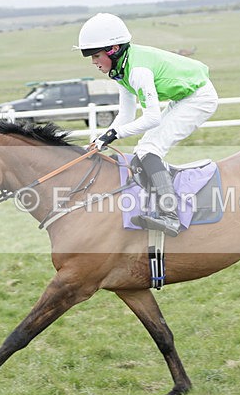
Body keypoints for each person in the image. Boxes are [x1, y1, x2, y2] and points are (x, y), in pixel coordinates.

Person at [76, 13, 218, 237]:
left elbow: (153, 118)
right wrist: (100, 140)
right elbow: (126, 114)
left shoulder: (137, 71)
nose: (94, 63)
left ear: (114, 49)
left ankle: (170, 216)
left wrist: (113, 134)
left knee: (149, 150)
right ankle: (159, 206)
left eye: (96, 56)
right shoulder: (120, 70)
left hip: (199, 98)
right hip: (183, 98)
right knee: (142, 151)